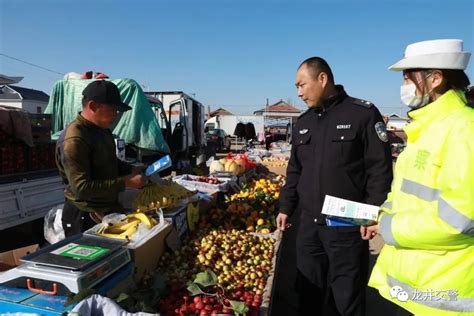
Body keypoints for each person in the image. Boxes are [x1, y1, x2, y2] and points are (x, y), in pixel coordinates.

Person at [362, 39, 474, 315]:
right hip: (414, 285)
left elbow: (462, 219)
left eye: (408, 77)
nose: (404, 85)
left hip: (442, 293)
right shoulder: (426, 129)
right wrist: (383, 215)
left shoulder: (463, 129)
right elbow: (404, 193)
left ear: (435, 78)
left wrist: (391, 228)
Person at [277, 57, 393, 315]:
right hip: (309, 227)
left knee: (346, 297)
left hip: (346, 224)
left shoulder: (361, 114)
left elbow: (379, 169)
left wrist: (372, 214)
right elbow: (295, 170)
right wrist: (286, 206)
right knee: (308, 294)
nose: (298, 93)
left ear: (322, 79)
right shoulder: (304, 123)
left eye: (302, 85)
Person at [56, 80, 146, 237]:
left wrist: (130, 169)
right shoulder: (75, 139)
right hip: (85, 216)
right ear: (93, 106)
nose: (116, 114)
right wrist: (126, 182)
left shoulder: (102, 130)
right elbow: (82, 188)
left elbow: (109, 160)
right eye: (113, 109)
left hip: (107, 208)